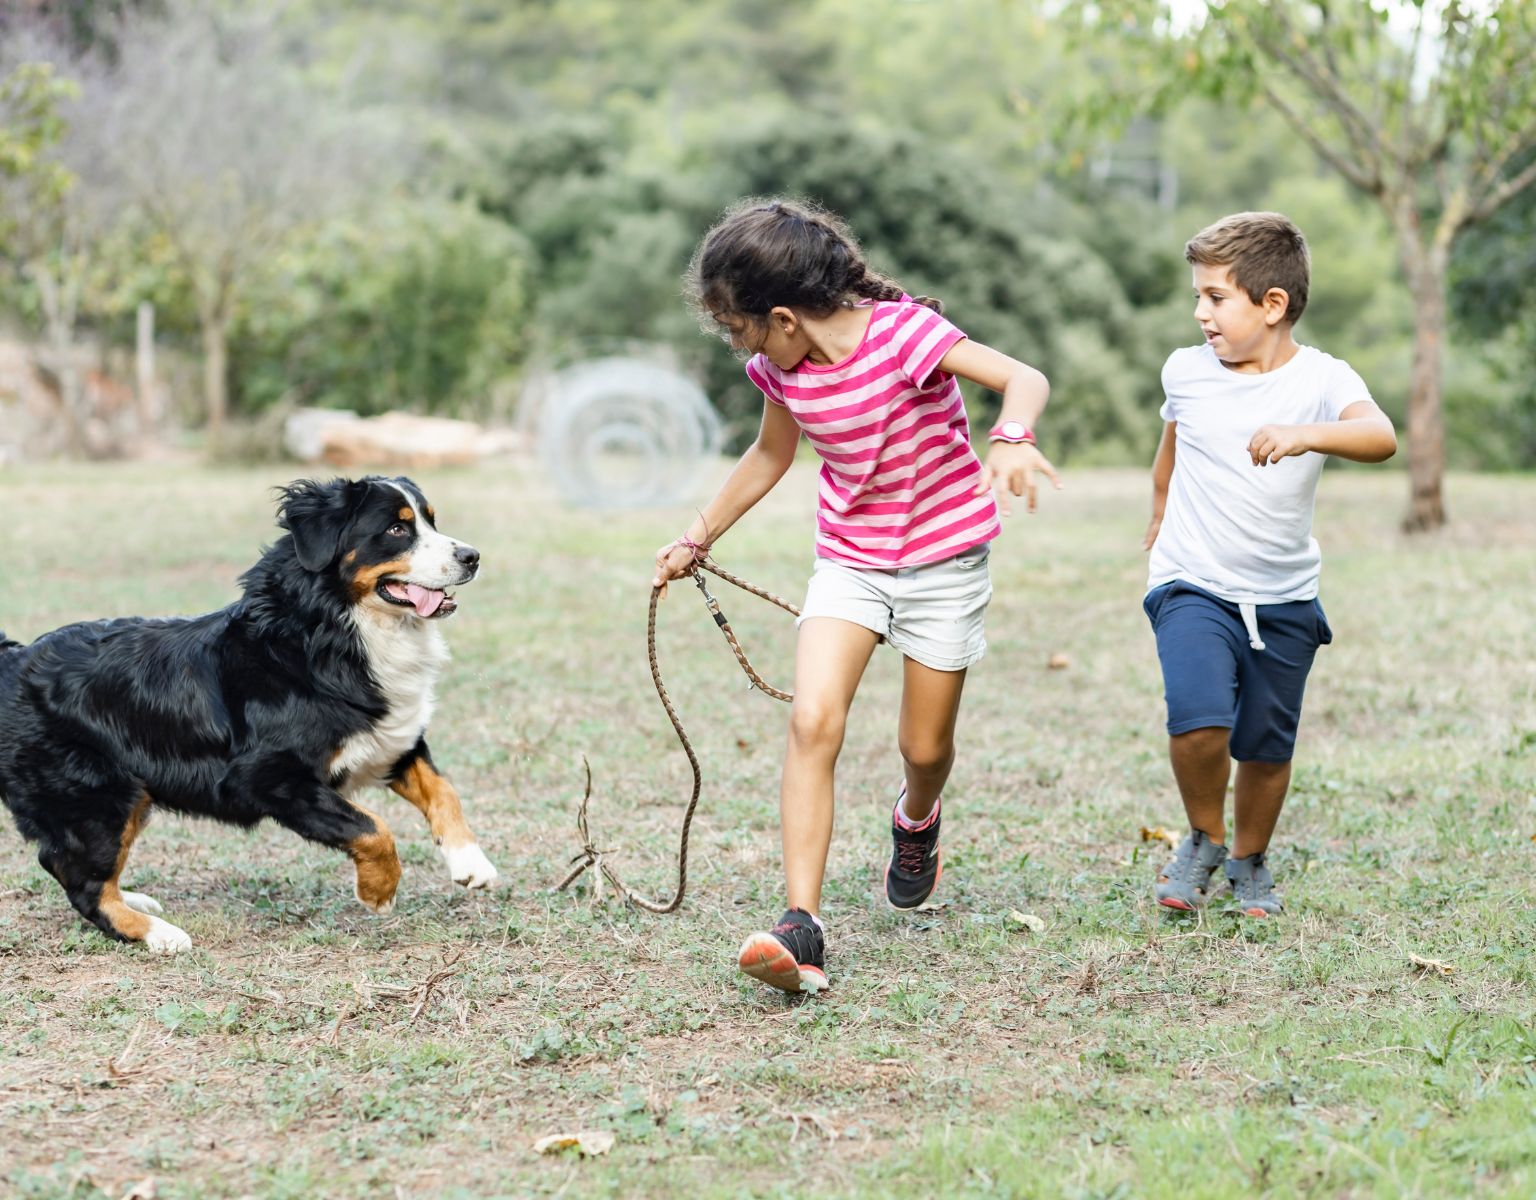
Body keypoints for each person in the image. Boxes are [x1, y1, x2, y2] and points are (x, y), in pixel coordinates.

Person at [653, 198, 1057, 993]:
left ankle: (916, 821)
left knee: (924, 749)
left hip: (944, 559)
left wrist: (1011, 436)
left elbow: (1023, 376)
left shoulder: (905, 336)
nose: (741, 346)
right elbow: (770, 456)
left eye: (740, 329)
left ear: (783, 316)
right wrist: (697, 536)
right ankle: (800, 924)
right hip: (852, 561)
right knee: (812, 719)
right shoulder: (777, 369)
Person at [1143, 211, 1396, 918]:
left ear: (1272, 304)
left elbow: (1380, 436)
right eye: (1198, 296)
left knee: (1265, 743)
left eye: (1216, 297)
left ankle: (1250, 858)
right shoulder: (1185, 371)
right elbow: (1172, 443)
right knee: (1197, 720)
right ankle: (1203, 836)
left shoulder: (1322, 378)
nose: (1201, 313)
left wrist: (1303, 433)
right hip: (1191, 579)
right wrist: (1160, 508)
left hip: (1283, 594)